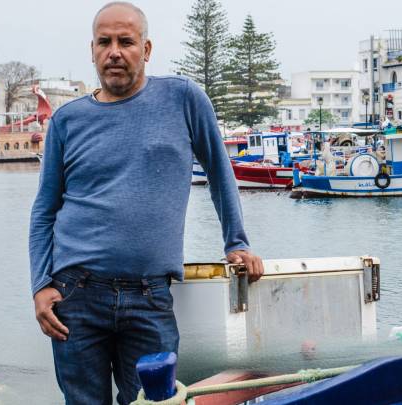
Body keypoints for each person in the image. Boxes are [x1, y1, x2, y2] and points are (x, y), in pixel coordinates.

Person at [28, 3, 263, 404]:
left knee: (156, 403)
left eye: (126, 41)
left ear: (147, 48)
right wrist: (40, 284)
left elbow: (222, 175)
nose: (114, 51)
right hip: (76, 295)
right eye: (104, 42)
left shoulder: (184, 99)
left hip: (150, 297)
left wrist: (236, 243)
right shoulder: (68, 120)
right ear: (92, 49)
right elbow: (44, 210)